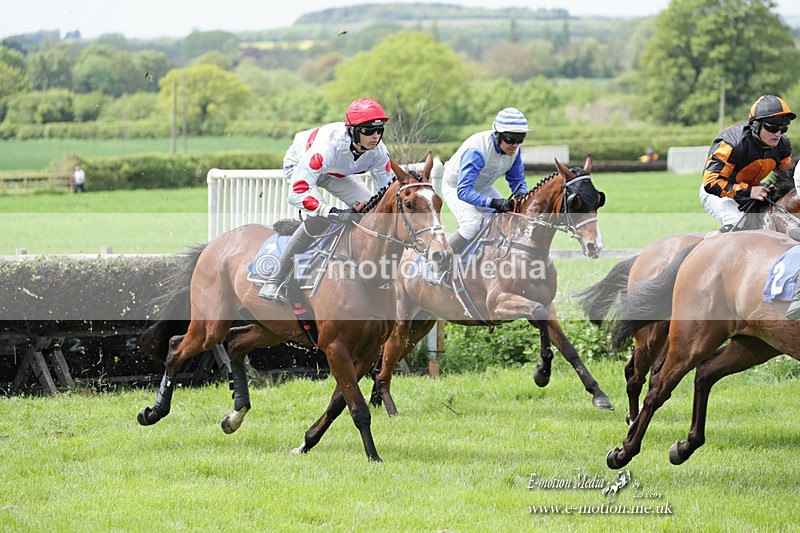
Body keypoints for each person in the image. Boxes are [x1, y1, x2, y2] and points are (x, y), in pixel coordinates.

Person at [259, 97, 394, 302]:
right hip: (300, 166)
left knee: (370, 212)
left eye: (379, 130)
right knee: (319, 218)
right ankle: (275, 279)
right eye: (367, 131)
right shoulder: (328, 147)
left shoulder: (379, 151)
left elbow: (386, 191)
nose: (375, 136)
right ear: (353, 131)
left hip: (335, 172)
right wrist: (333, 212)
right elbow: (297, 193)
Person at [699, 94, 794, 233]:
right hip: (718, 192)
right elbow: (711, 183)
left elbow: (786, 176)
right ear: (755, 125)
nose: (779, 134)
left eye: (783, 128)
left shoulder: (783, 144)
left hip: (751, 189)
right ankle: (707, 248)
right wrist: (749, 191)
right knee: (736, 222)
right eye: (772, 128)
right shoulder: (732, 144)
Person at [441, 107, 529, 255]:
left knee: (510, 217)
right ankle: (438, 261)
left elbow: (517, 179)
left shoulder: (515, 151)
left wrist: (522, 197)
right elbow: (464, 191)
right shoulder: (477, 151)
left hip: (483, 187)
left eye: (520, 139)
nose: (514, 145)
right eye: (510, 139)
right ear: (497, 135)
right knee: (471, 225)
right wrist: (493, 203)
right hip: (456, 187)